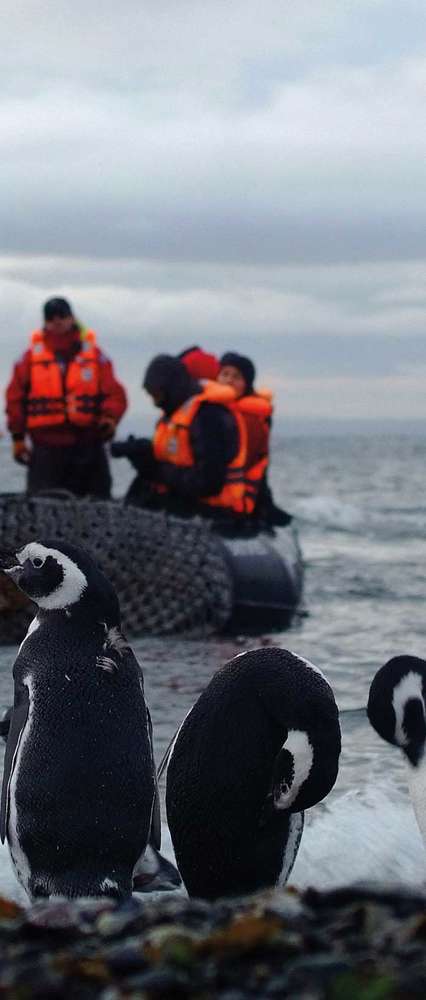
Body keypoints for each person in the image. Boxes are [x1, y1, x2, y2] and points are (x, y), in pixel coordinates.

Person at [112, 354, 262, 529]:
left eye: (157, 395)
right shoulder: (176, 413)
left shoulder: (208, 417)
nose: (154, 403)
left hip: (212, 511)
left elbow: (209, 482)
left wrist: (155, 469)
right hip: (182, 502)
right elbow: (174, 456)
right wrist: (141, 451)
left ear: (171, 388)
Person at [5, 297, 127, 498]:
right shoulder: (28, 360)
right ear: (45, 322)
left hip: (89, 446)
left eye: (62, 315)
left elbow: (114, 393)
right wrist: (18, 438)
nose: (57, 321)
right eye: (51, 317)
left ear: (72, 318)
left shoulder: (96, 357)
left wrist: (110, 418)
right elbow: (15, 398)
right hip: (46, 449)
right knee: (43, 508)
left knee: (97, 507)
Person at [217, 351, 291, 527]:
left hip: (238, 502)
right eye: (224, 374)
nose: (229, 380)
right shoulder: (211, 410)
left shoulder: (252, 419)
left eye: (236, 376)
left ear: (247, 384)